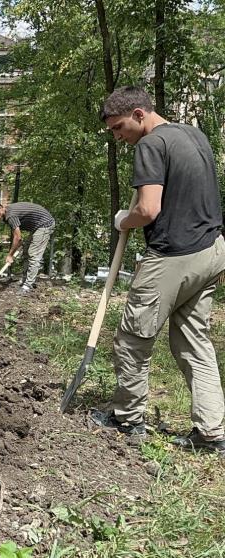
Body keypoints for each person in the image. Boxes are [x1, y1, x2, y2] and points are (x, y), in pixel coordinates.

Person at [90, 85, 225, 454]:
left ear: (139, 114)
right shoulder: (194, 135)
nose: (117, 137)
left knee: (134, 337)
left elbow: (149, 209)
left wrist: (124, 220)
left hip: (173, 255)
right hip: (212, 250)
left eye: (119, 127)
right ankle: (212, 432)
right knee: (194, 341)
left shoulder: (150, 145)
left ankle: (127, 418)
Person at [0, 199, 55, 293]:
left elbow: (17, 238)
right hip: (37, 227)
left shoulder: (10, 215)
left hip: (45, 224)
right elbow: (18, 238)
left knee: (33, 254)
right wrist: (18, 243)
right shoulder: (7, 214)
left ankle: (28, 285)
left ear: (0, 208)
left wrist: (10, 255)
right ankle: (25, 280)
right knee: (26, 252)